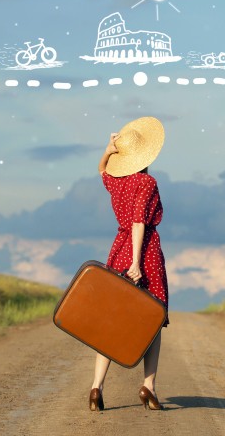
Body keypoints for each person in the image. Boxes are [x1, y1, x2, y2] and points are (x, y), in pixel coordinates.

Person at [89, 116, 169, 412]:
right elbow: (139, 221)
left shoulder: (115, 181)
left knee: (112, 320)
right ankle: (148, 386)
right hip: (143, 252)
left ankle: (96, 388)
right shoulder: (147, 182)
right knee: (153, 318)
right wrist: (136, 262)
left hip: (118, 248)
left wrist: (107, 150)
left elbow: (101, 170)